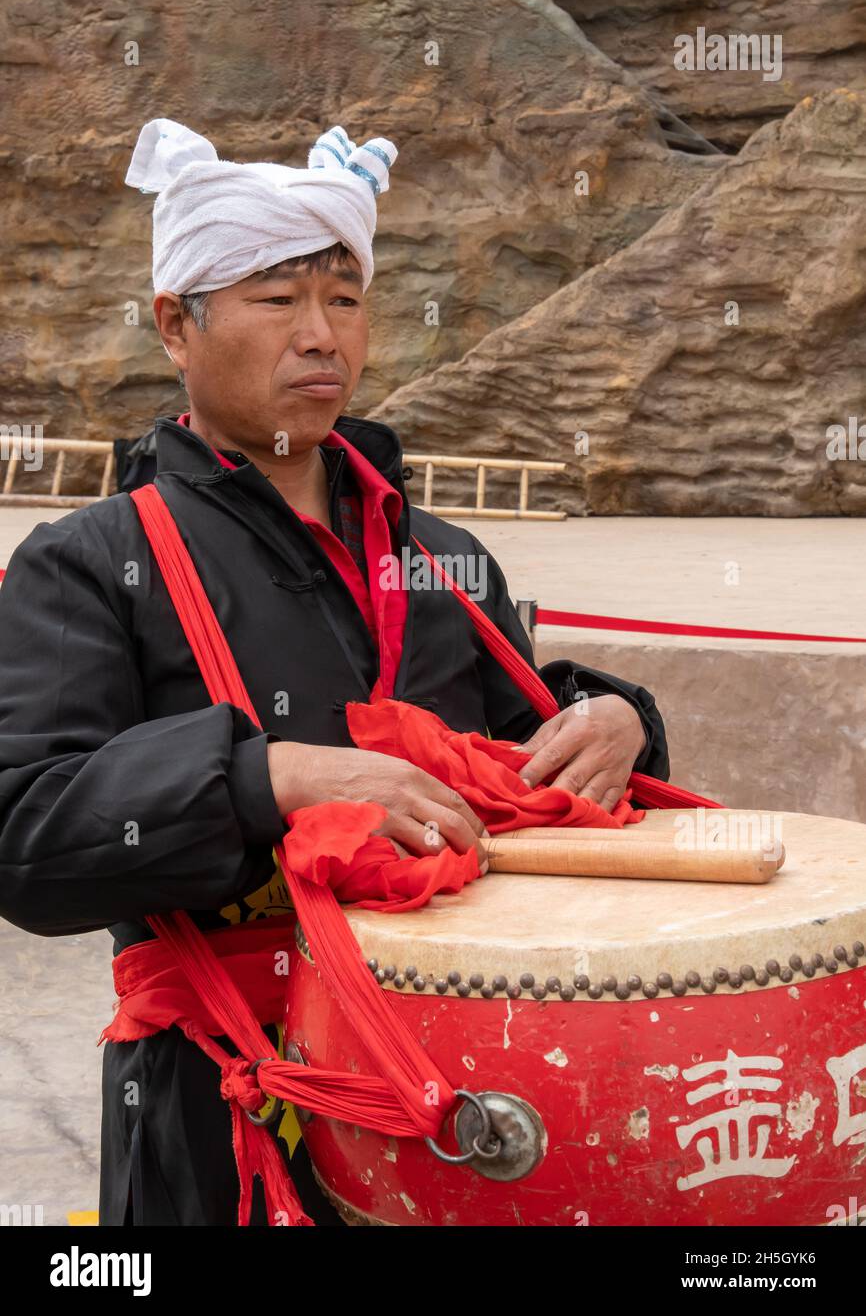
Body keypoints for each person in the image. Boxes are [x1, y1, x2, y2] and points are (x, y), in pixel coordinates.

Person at [0, 119, 670, 1226]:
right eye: (276, 299)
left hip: (465, 1090)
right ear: (177, 323)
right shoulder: (92, 562)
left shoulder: (441, 555)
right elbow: (24, 833)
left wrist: (616, 721)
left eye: (346, 299)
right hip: (221, 1113)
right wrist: (270, 780)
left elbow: (528, 753)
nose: (321, 335)